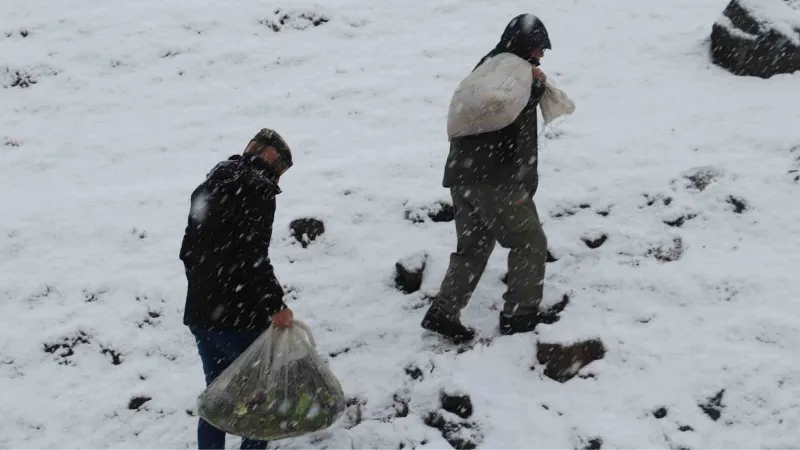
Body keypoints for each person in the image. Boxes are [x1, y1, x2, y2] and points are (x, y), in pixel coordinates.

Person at [422, 14, 560, 342]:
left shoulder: (486, 69)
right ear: (528, 46)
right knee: (529, 241)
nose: (541, 55)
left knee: (475, 246)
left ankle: (443, 310)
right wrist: (537, 84)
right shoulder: (518, 74)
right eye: (540, 48)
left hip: (462, 175)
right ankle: (520, 315)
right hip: (495, 179)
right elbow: (515, 123)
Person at [180, 128, 295, 450]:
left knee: (217, 396)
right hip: (239, 317)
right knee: (261, 399)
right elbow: (253, 257)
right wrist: (276, 306)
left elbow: (188, 253)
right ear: (274, 164)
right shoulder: (257, 191)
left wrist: (206, 293)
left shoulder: (208, 186)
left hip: (201, 313)